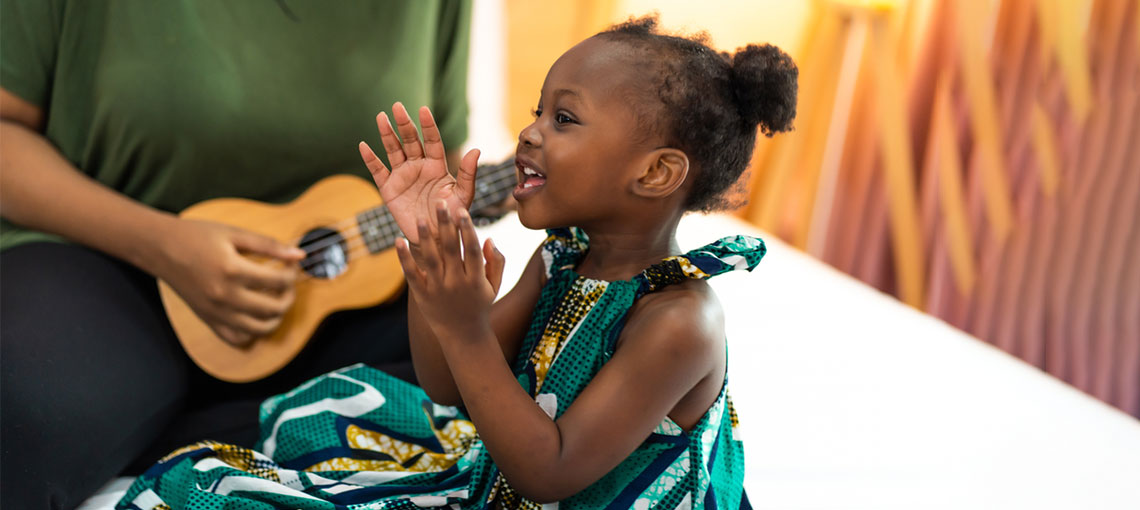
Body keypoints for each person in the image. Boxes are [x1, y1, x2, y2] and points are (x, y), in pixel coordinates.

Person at [115, 14, 798, 509]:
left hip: (557, 489)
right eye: (537, 110)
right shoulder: (564, 258)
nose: (528, 131)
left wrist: (468, 329)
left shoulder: (679, 320)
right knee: (322, 411)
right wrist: (429, 264)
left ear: (655, 174)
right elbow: (445, 383)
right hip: (506, 470)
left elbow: (548, 473)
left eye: (565, 119)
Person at [0, 2, 472, 509]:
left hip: (329, 305)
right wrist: (161, 244)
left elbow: (433, 166)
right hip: (100, 263)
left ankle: (172, 431)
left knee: (486, 382)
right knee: (23, 409)